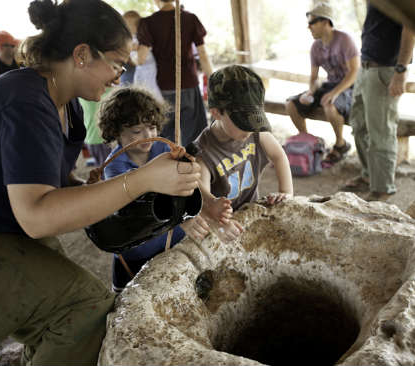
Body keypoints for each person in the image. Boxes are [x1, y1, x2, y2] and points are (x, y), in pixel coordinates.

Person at [0, 0, 201, 365]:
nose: (120, 75)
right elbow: (37, 217)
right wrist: (141, 179)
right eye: (116, 62)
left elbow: (46, 184)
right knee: (84, 311)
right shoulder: (24, 102)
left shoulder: (64, 104)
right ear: (82, 54)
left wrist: (86, 189)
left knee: (60, 314)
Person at [98, 87, 210, 292]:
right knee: (134, 304)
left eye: (151, 127)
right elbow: (135, 230)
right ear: (116, 132)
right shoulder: (115, 169)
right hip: (136, 250)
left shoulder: (163, 149)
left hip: (168, 242)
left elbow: (184, 185)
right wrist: (180, 226)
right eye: (136, 131)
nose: (148, 136)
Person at [195, 65, 294, 240]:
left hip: (250, 211)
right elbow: (200, 197)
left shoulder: (255, 131)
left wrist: (286, 193)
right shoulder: (203, 153)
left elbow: (279, 156)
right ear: (216, 112)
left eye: (254, 120)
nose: (250, 130)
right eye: (243, 123)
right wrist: (219, 224)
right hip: (222, 223)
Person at [341, 2, 415, 201]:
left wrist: (401, 70)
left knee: (381, 131)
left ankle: (382, 188)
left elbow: (411, 28)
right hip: (365, 67)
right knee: (359, 126)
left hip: (385, 69)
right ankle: (369, 176)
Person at [285, 2, 359, 165]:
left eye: (312, 23)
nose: (308, 27)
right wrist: (310, 92)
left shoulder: (344, 40)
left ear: (326, 22)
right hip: (329, 86)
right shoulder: (315, 47)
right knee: (291, 104)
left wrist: (334, 93)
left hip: (350, 87)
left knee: (329, 104)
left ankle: (340, 145)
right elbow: (314, 78)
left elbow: (354, 72)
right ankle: (309, 141)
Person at [137, 0, 213, 146]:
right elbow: (202, 53)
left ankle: (170, 165)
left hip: (163, 86)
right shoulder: (190, 19)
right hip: (188, 83)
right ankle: (192, 165)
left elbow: (141, 58)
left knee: (167, 136)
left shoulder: (148, 23)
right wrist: (212, 79)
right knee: (193, 135)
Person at [79, 89, 113, 167]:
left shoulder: (81, 93)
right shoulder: (97, 92)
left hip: (90, 137)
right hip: (99, 138)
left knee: (101, 167)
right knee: (106, 169)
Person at [120, 10, 140, 86]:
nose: (130, 27)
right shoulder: (122, 39)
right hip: (127, 73)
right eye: (127, 25)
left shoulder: (140, 37)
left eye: (134, 25)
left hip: (140, 70)